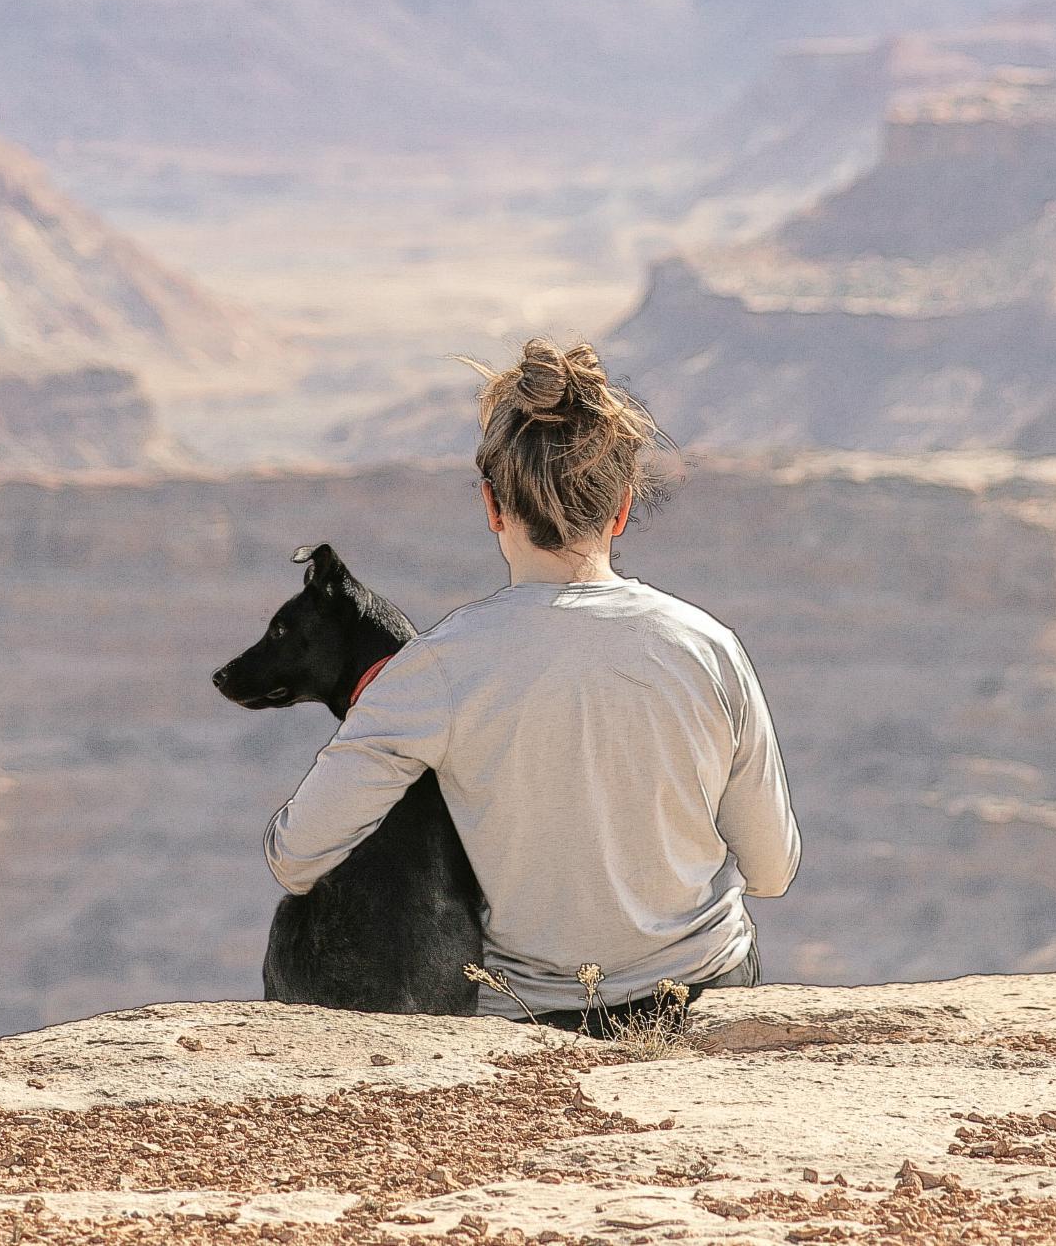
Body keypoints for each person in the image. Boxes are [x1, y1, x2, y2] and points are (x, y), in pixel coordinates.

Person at [263, 337, 800, 1031]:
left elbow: (294, 854)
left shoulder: (436, 668)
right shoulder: (707, 647)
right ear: (622, 508)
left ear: (492, 504)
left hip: (534, 1016)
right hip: (702, 995)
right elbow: (771, 871)